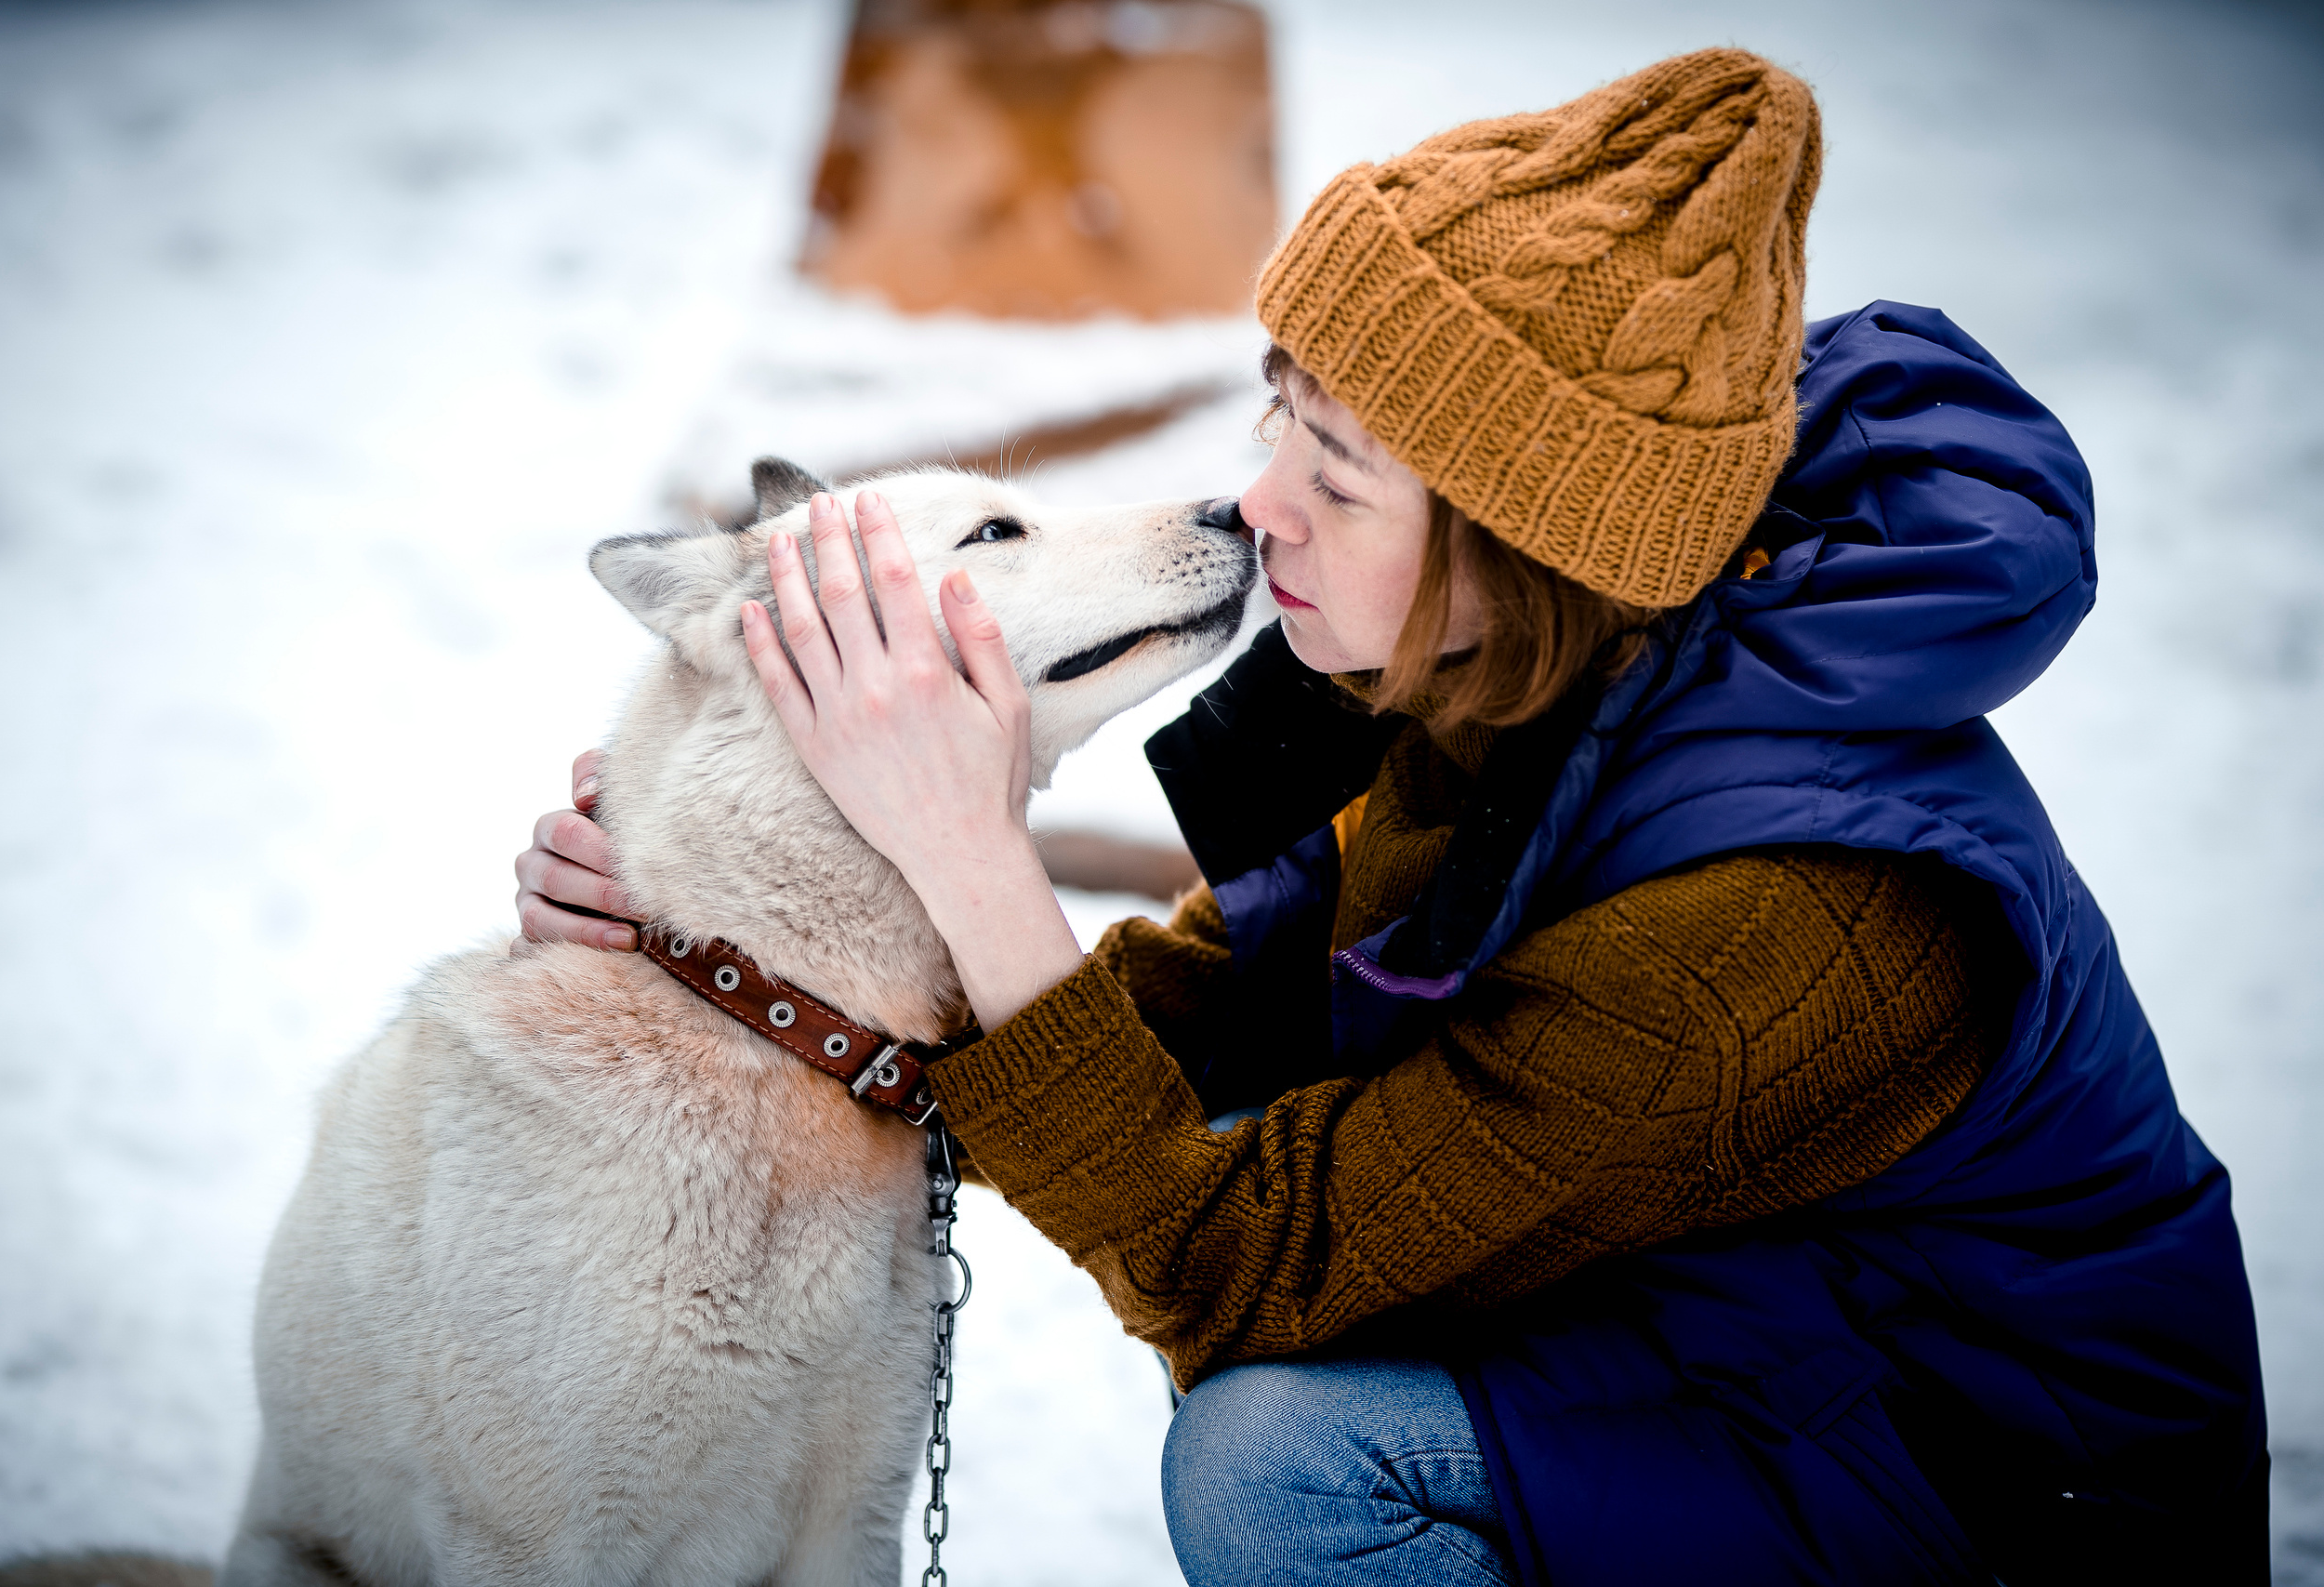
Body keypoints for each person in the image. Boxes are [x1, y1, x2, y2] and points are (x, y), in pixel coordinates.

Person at [513, 47, 2267, 1587]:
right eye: (1279, 415)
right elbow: (1212, 1008)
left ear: (1520, 545)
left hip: (1990, 1505)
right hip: (1725, 1354)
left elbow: (1237, 1264)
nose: (1252, 502)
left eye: (1334, 471)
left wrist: (978, 855)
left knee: (1281, 1462)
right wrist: (716, 956)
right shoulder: (1503, 683)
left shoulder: (1779, 931)